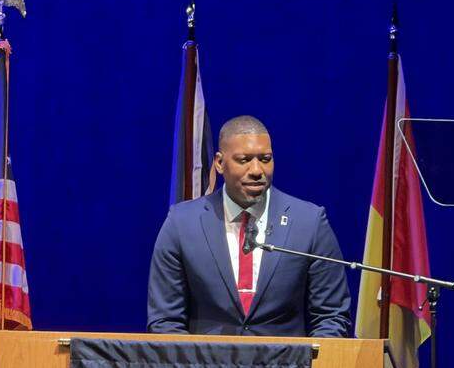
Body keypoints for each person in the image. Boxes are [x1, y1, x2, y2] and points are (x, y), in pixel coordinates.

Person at [147, 115, 353, 337]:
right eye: (244, 160)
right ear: (219, 163)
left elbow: (331, 317)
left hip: (287, 360)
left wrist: (309, 359)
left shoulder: (309, 222)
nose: (256, 170)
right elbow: (165, 320)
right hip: (206, 359)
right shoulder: (182, 223)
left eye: (265, 159)